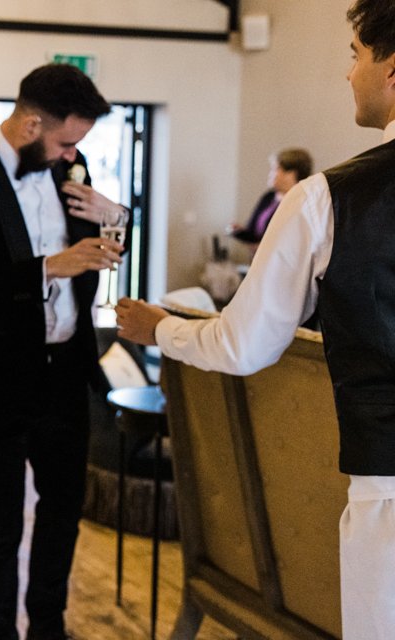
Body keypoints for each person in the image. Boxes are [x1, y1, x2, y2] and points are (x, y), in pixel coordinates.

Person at [116, 2, 395, 637]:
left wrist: (160, 327)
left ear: (392, 68)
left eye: (356, 56)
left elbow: (243, 346)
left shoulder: (327, 199)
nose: (347, 75)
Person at [0, 63, 125, 640]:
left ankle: (48, 628)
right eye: (66, 141)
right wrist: (48, 267)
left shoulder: (69, 170)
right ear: (31, 121)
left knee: (64, 511)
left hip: (66, 371)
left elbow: (100, 252)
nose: (72, 156)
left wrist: (116, 219)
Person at [228, 147, 313, 250]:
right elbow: (254, 233)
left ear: (290, 174)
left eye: (275, 169)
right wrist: (239, 231)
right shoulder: (269, 196)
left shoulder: (304, 202)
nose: (270, 174)